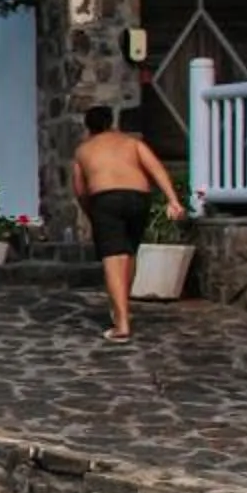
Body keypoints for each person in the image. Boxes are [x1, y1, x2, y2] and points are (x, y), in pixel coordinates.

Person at [70, 104, 185, 343]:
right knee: (129, 253)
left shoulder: (83, 151)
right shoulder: (132, 144)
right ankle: (122, 306)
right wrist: (173, 200)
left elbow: (80, 190)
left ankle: (121, 323)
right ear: (111, 123)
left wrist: (91, 213)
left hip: (106, 199)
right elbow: (156, 169)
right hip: (138, 198)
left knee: (114, 258)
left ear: (88, 127)